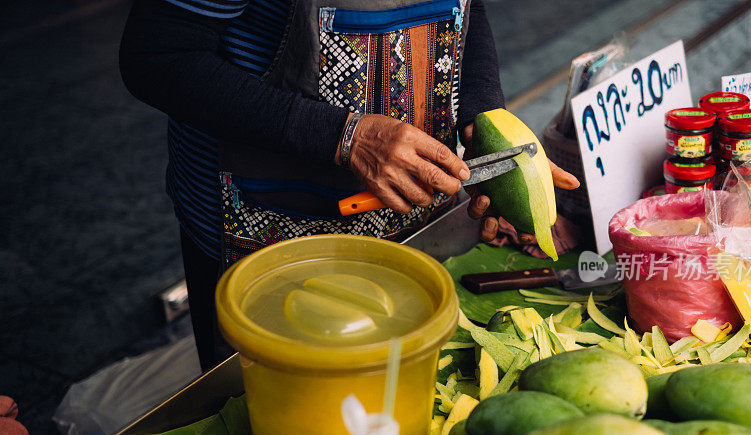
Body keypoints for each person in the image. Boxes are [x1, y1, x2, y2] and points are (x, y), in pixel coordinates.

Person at [119, 0, 579, 371]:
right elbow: (157, 57)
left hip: (415, 225)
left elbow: (470, 11)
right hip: (263, 228)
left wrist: (484, 123)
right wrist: (343, 137)